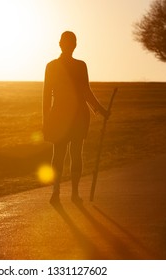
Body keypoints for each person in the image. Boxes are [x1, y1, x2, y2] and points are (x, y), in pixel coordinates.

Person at [42, 31, 109, 204]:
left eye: (72, 43)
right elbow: (46, 95)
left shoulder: (81, 66)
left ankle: (73, 193)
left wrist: (100, 110)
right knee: (60, 153)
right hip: (60, 115)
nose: (70, 46)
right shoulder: (52, 66)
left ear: (75, 45)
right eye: (67, 42)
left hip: (78, 114)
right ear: (61, 44)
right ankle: (56, 192)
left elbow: (86, 91)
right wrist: (45, 119)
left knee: (75, 153)